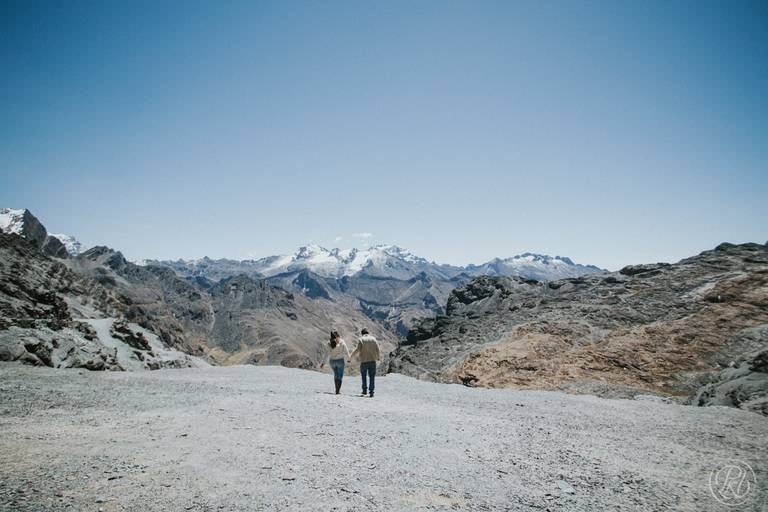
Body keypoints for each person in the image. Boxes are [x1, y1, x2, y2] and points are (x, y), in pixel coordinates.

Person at [350, 328, 381, 398]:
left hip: (364, 361)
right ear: (368, 333)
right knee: (372, 377)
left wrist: (351, 357)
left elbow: (357, 350)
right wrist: (378, 357)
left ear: (362, 334)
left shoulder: (361, 339)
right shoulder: (373, 339)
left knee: (363, 376)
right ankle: (371, 392)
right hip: (372, 361)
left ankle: (364, 390)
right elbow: (377, 349)